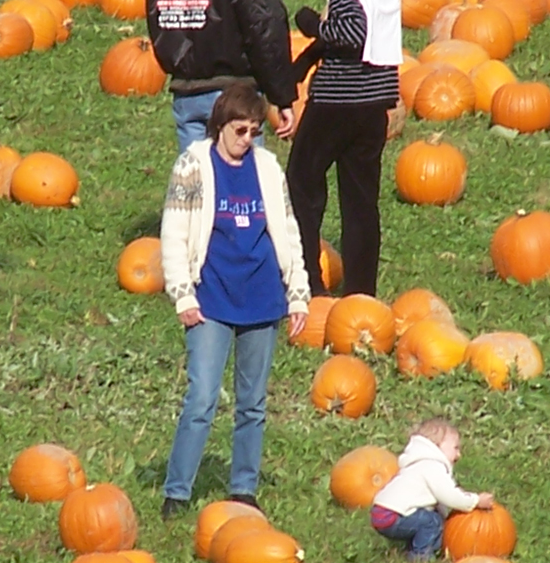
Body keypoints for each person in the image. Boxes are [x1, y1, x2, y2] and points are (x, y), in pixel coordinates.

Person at [158, 81, 310, 520]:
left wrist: (297, 294)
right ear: (221, 126)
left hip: (261, 297)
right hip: (211, 300)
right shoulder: (193, 165)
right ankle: (178, 491)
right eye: (240, 130)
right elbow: (175, 232)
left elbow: (287, 230)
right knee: (202, 398)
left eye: (254, 130)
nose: (248, 139)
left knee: (253, 402)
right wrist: (182, 292)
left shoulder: (266, 167)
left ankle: (244, 489)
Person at [285, 0, 402, 297]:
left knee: (302, 183)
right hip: (373, 104)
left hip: (336, 103)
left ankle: (309, 281)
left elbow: (351, 33)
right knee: (361, 202)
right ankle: (361, 292)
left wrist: (312, 24)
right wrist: (306, 62)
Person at [146, 0, 298, 153]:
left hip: (187, 89)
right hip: (237, 92)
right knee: (242, 172)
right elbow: (264, 25)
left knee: (194, 172)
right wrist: (282, 97)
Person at [371, 419, 494, 562]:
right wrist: (476, 501)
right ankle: (421, 557)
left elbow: (438, 501)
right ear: (437, 446)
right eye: (455, 448)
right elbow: (450, 496)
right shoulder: (432, 466)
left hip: (381, 512)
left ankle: (411, 550)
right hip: (392, 515)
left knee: (429, 518)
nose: (459, 455)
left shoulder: (418, 463)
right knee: (432, 522)